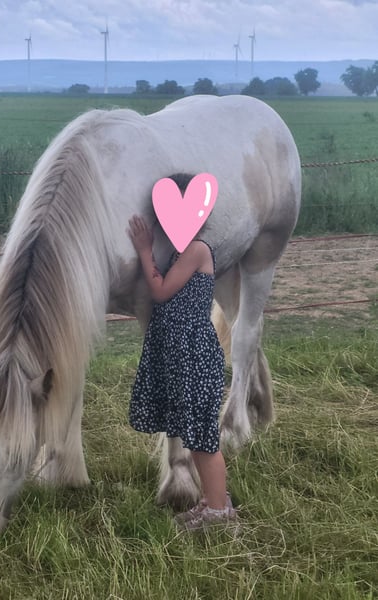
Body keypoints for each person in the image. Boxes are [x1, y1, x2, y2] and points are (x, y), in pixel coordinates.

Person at [127, 173, 238, 531]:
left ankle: (219, 515)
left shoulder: (196, 250)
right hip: (184, 356)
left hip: (195, 356)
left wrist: (145, 250)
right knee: (196, 437)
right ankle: (211, 501)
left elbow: (161, 291)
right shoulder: (182, 251)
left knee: (204, 439)